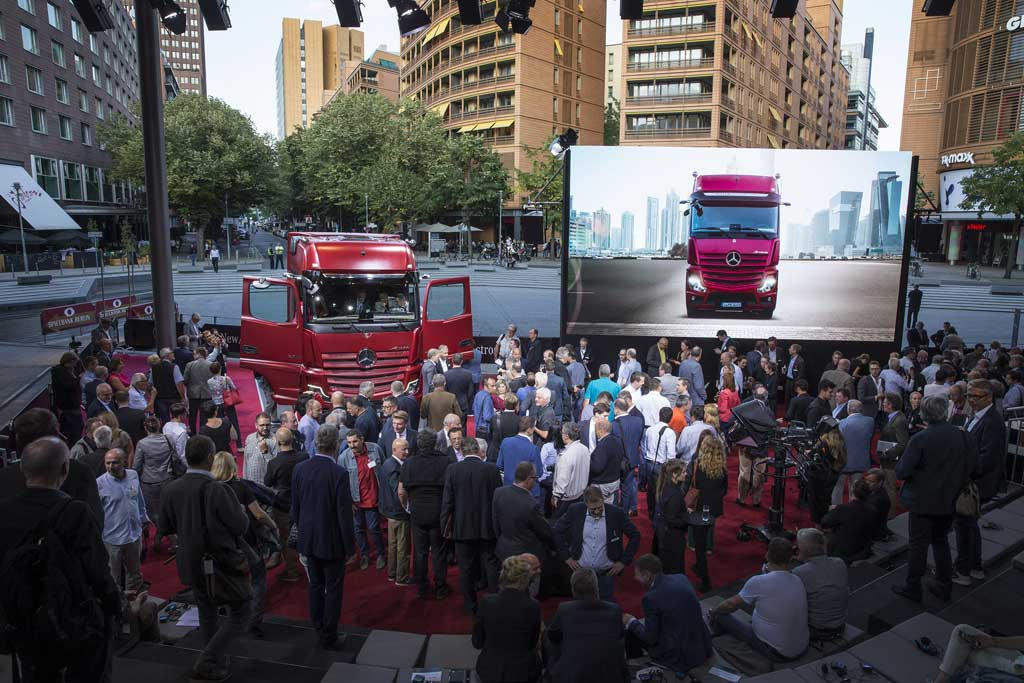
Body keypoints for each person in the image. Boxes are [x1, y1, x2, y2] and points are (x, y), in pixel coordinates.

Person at [0, 437, 120, 682]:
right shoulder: (75, 512)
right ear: (65, 469)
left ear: (22, 468)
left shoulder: (4, 511)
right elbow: (97, 569)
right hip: (72, 618)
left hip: (22, 617)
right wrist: (112, 605)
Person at [158, 435, 252, 680]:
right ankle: (208, 659)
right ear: (211, 458)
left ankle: (213, 663)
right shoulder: (218, 490)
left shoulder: (171, 489)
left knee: (206, 611)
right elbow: (240, 526)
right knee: (241, 611)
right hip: (221, 562)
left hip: (189, 561)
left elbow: (165, 527)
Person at [892, 395, 975, 603]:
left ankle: (913, 587)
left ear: (924, 414)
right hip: (949, 499)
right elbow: (974, 465)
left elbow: (902, 471)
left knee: (918, 545)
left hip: (922, 501)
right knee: (941, 542)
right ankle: (944, 586)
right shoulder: (962, 435)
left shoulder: (921, 438)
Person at [291, 424, 357, 649]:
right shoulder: (338, 473)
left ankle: (318, 627)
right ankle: (329, 634)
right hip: (331, 543)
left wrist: (303, 535)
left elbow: (296, 508)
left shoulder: (300, 469)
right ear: (336, 445)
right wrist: (350, 547)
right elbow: (344, 515)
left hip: (308, 540)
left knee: (315, 586)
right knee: (333, 589)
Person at [708, 538, 809, 662]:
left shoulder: (759, 582)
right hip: (802, 646)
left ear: (767, 555)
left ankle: (715, 640)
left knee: (720, 615)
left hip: (776, 652)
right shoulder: (797, 579)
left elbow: (729, 605)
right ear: (790, 559)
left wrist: (714, 611)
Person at [211, 451, 276, 638]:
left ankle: (232, 621)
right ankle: (253, 624)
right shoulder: (241, 488)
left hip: (220, 545)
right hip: (246, 543)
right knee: (257, 580)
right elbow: (258, 514)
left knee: (228, 582)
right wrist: (273, 528)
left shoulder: (209, 489)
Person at [623, 554, 713, 676]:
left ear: (647, 575)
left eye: (637, 574)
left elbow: (650, 637)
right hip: (702, 647)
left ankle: (635, 664)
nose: (635, 577)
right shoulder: (681, 577)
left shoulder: (650, 598)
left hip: (678, 656)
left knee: (630, 629)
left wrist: (631, 621)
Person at [954, 378, 1007, 586]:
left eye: (976, 397)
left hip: (976, 484)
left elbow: (986, 458)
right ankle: (973, 567)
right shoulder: (977, 415)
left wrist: (961, 473)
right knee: (969, 524)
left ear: (989, 397)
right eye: (969, 396)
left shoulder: (993, 422)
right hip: (972, 480)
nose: (971, 400)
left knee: (964, 525)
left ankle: (963, 571)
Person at [441, 437, 502, 613]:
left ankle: (470, 605)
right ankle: (494, 601)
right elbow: (497, 500)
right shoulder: (491, 469)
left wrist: (444, 524)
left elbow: (447, 501)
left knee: (465, 568)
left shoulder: (453, 470)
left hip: (462, 527)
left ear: (463, 451)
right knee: (491, 564)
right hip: (487, 526)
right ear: (477, 450)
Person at [553, 486, 640, 601]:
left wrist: (624, 561)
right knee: (581, 607)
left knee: (606, 606)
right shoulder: (575, 510)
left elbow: (635, 535)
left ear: (603, 500)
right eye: (593, 509)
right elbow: (557, 531)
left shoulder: (616, 513)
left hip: (606, 574)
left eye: (600, 507)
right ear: (586, 504)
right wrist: (566, 557)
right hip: (581, 574)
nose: (597, 512)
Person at [545, 568, 629, 683]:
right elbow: (620, 636)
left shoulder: (565, 609)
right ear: (597, 587)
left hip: (573, 676)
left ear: (573, 590)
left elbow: (552, 636)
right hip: (610, 675)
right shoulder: (614, 610)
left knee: (551, 637)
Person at [399, 431, 455, 600]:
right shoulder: (446, 461)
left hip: (417, 512)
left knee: (420, 552)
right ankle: (440, 587)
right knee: (438, 552)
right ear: (435, 443)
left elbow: (401, 491)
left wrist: (407, 508)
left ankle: (422, 587)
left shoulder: (409, 463)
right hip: (439, 513)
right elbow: (451, 491)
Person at [472, 555, 543, 683]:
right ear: (525, 580)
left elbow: (477, 642)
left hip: (489, 672)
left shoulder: (487, 602)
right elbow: (532, 643)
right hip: (523, 674)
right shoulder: (533, 606)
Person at [97, 447, 149, 593]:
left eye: (114, 463)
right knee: (113, 578)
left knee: (134, 574)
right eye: (108, 463)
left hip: (133, 535)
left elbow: (138, 498)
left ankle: (134, 606)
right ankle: (118, 607)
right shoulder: (99, 484)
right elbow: (96, 512)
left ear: (124, 462)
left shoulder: (133, 475)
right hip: (112, 539)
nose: (110, 467)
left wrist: (143, 517)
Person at [493, 461, 559, 566]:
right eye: (535, 478)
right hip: (526, 560)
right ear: (528, 480)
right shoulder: (531, 504)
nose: (536, 482)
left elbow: (495, 523)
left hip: (503, 552)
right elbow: (544, 532)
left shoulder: (499, 493)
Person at [133, 416, 184, 552]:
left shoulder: (142, 444)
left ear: (145, 428)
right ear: (159, 425)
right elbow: (176, 458)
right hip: (168, 479)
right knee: (168, 510)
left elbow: (137, 465)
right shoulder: (169, 439)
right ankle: (165, 537)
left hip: (149, 483)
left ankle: (170, 538)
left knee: (154, 513)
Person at [263, 428, 306, 582]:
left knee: (286, 537)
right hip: (302, 502)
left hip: (283, 505)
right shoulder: (304, 456)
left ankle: (292, 571)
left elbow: (267, 482)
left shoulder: (275, 462)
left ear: (277, 441)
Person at [791, 528, 850, 640]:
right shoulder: (839, 562)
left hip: (817, 629)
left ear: (802, 550)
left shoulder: (799, 572)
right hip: (840, 624)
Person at [686, 435, 728, 592]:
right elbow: (724, 490)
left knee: (700, 546)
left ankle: (705, 580)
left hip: (698, 509)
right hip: (714, 508)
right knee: (705, 539)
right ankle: (699, 566)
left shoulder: (696, 465)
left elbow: (687, 486)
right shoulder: (722, 469)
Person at [932, 626, 1024, 683]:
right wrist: (993, 641)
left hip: (1018, 672)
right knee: (963, 631)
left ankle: (943, 678)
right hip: (1018, 664)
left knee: (966, 654)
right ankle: (943, 679)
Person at [378, 436, 411, 586]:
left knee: (393, 545)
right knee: (402, 547)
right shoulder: (394, 466)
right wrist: (407, 507)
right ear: (394, 450)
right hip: (398, 513)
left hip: (390, 512)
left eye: (407, 448)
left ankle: (392, 574)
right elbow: (399, 491)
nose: (407, 452)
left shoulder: (388, 464)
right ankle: (401, 577)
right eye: (404, 449)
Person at [821, 479, 878, 563]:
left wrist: (834, 510)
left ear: (852, 492)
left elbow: (824, 523)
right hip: (863, 549)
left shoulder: (843, 509)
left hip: (843, 552)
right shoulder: (873, 510)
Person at [497, 416, 544, 505]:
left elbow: (499, 465)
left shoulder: (506, 442)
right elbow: (538, 472)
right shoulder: (533, 449)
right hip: (528, 494)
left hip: (509, 490)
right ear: (530, 429)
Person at [834, 399, 873, 505]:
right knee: (856, 490)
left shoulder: (841, 423)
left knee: (838, 488)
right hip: (860, 461)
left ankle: (838, 511)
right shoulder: (870, 421)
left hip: (843, 462)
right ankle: (854, 512)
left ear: (848, 410)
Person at [654, 459, 689, 575]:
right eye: (683, 472)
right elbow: (672, 519)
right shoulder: (675, 494)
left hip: (663, 535)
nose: (686, 474)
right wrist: (686, 518)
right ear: (674, 474)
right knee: (674, 569)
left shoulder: (665, 486)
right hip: (673, 538)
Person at [642, 406, 676, 522]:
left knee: (651, 492)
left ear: (659, 416)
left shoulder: (650, 429)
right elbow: (671, 455)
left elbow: (644, 447)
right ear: (670, 419)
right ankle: (659, 517)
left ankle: (652, 515)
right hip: (661, 466)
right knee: (661, 492)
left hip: (648, 463)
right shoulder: (670, 433)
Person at [807, 424, 846, 525]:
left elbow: (814, 459)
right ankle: (825, 522)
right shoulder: (840, 441)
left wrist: (809, 453)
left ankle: (819, 525)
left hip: (819, 477)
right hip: (833, 475)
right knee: (826, 500)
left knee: (816, 503)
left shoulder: (823, 442)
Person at [878, 392, 910, 510]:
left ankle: (890, 515)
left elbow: (902, 443)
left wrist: (886, 453)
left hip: (891, 462)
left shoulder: (899, 420)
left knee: (889, 488)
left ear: (890, 405)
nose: (883, 405)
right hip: (887, 460)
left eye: (885, 403)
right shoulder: (893, 417)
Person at [207, 362, 241, 448]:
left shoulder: (209, 381)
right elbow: (234, 388)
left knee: (219, 424)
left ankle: (221, 444)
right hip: (227, 403)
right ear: (220, 369)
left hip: (216, 405)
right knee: (234, 422)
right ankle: (239, 446)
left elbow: (210, 392)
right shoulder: (226, 379)